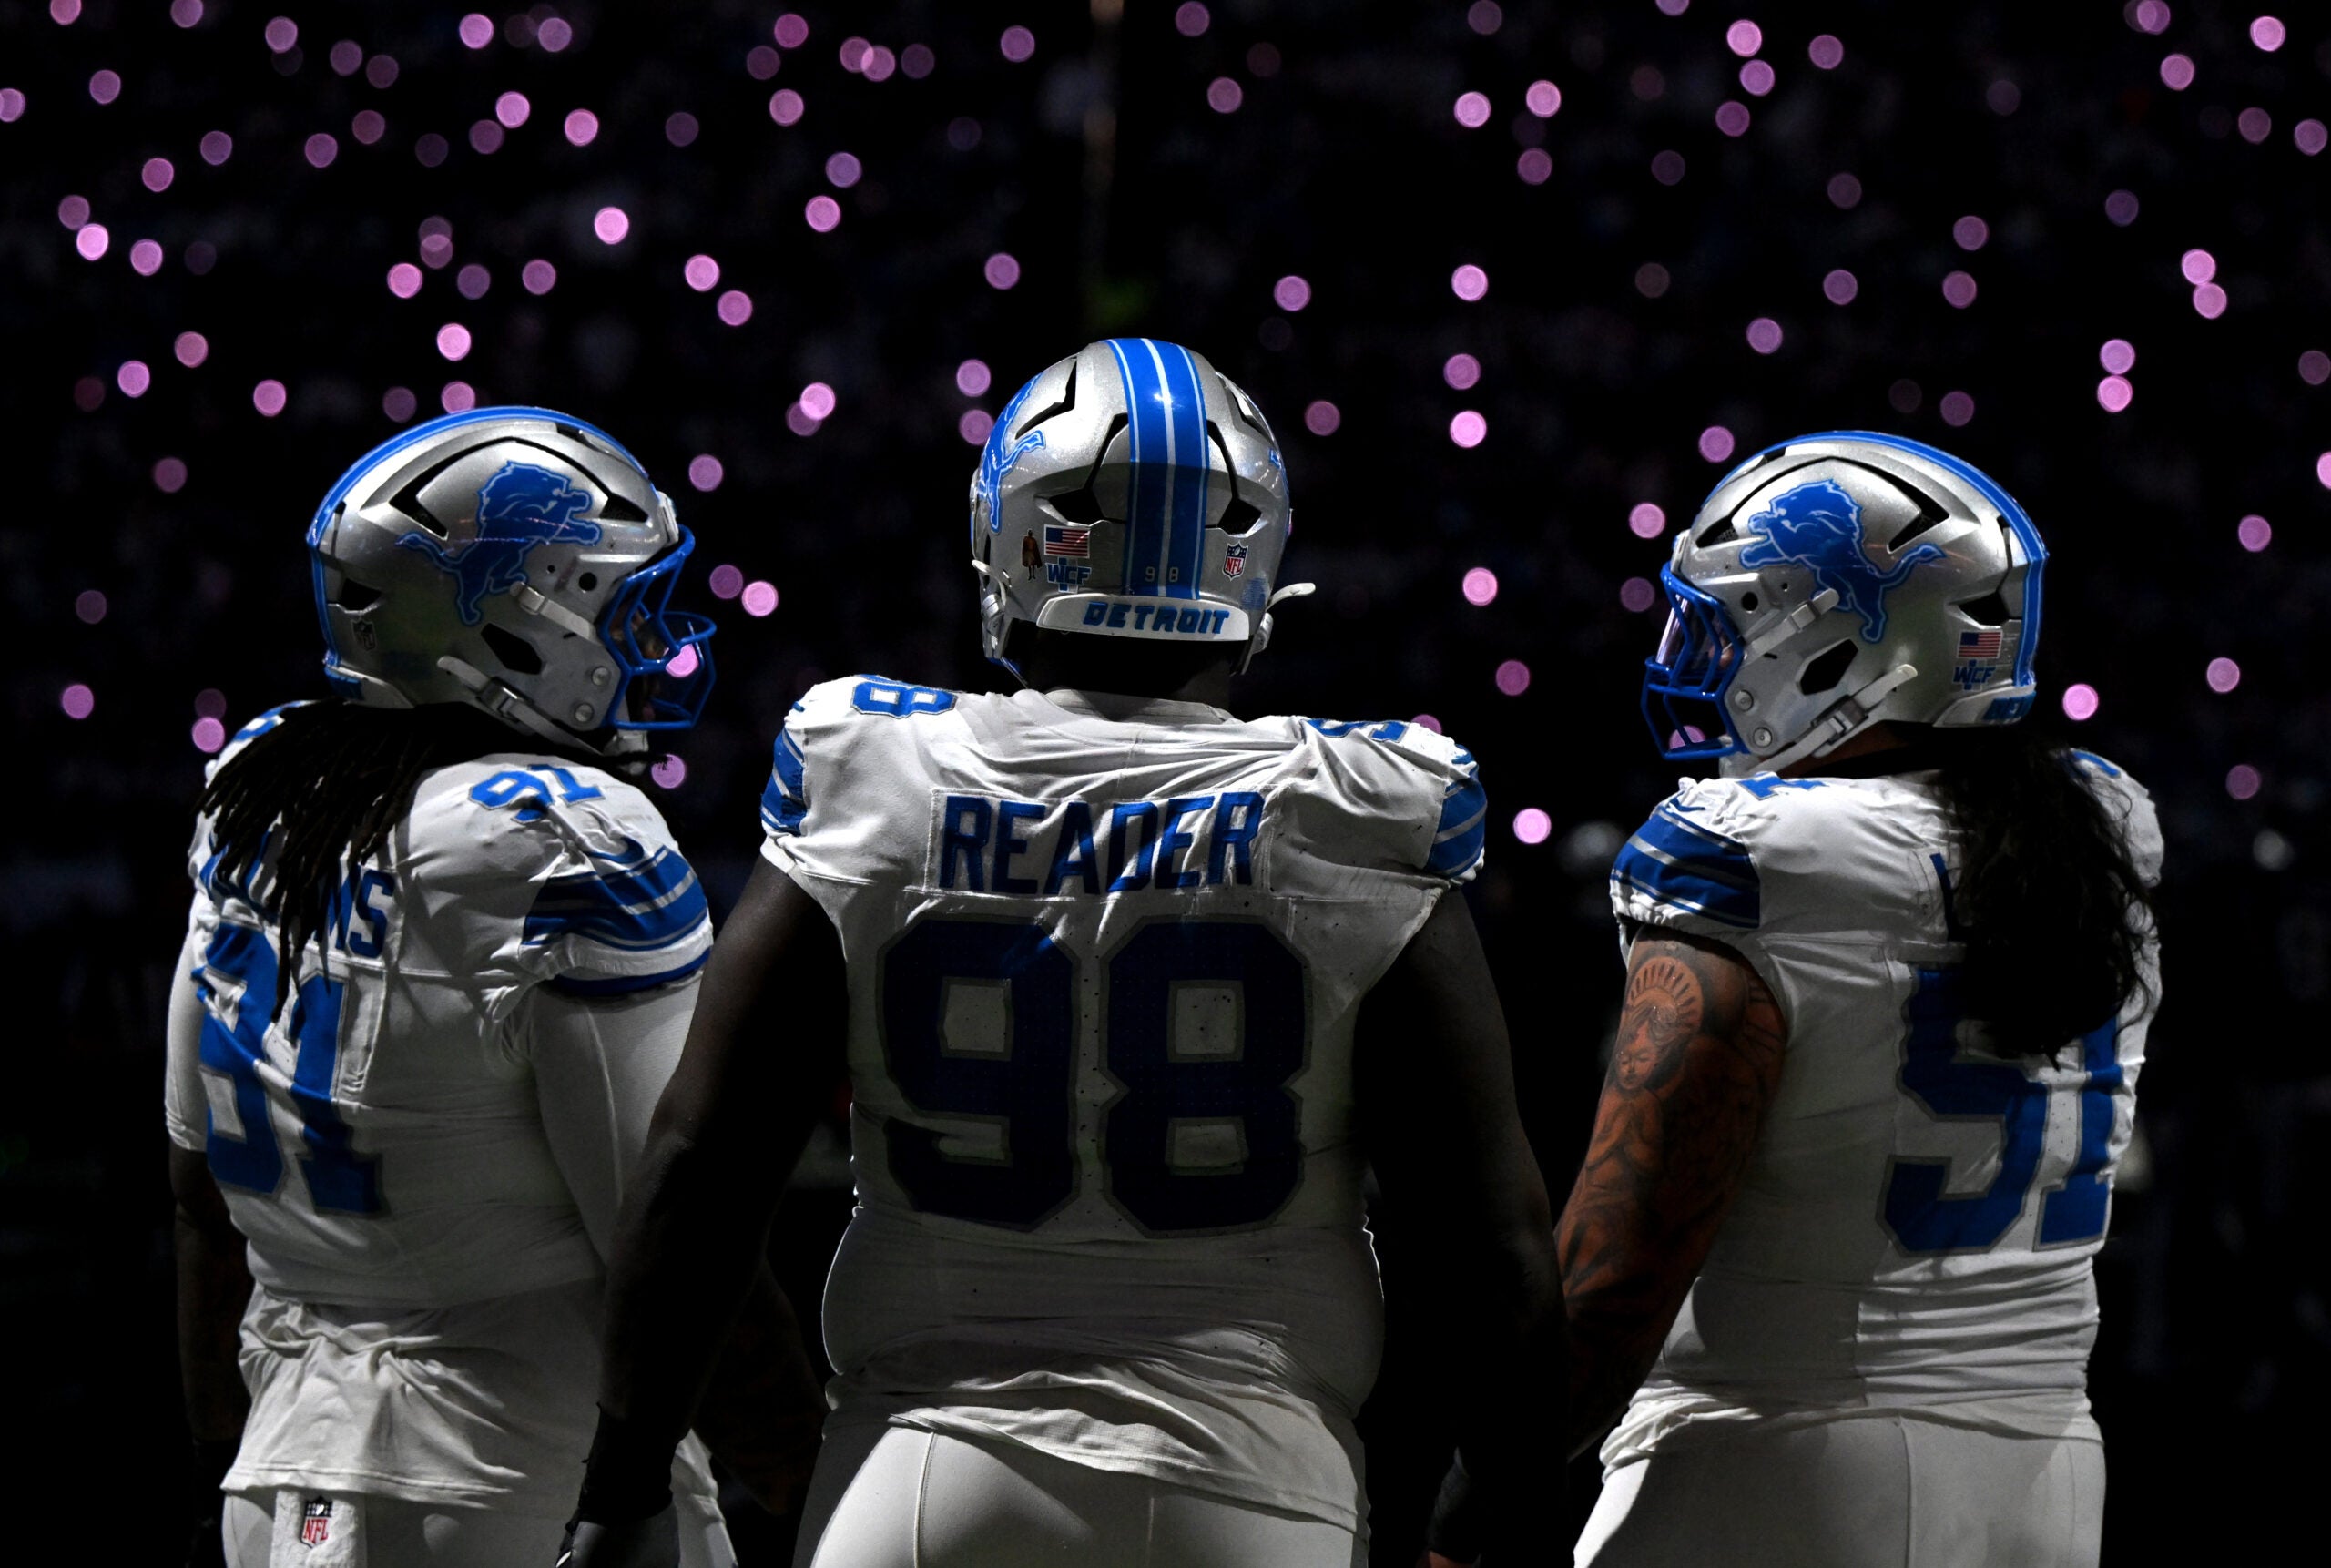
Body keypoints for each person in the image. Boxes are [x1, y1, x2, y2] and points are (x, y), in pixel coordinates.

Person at [563, 339, 1567, 1568]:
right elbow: (1480, 1239)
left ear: (1011, 543)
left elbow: (704, 1168)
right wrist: (1505, 1495)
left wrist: (622, 1482)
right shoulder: (1351, 808)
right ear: (1253, 564)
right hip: (1248, 1481)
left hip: (921, 1476)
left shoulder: (874, 773)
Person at [166, 408, 820, 1567]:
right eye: (618, 604)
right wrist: (813, 1484)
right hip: (520, 1482)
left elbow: (195, 1189)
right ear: (510, 624)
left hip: (277, 1477)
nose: (652, 641)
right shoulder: (561, 835)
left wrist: (225, 1442)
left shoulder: (259, 785)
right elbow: (676, 1234)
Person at [1548, 433, 2161, 1565]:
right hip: (2047, 1469)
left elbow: (1621, 1263)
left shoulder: (1752, 852)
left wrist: (1472, 1495)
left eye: (1732, 619)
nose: (1700, 651)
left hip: (1784, 1453)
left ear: (1833, 641)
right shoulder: (2099, 822)